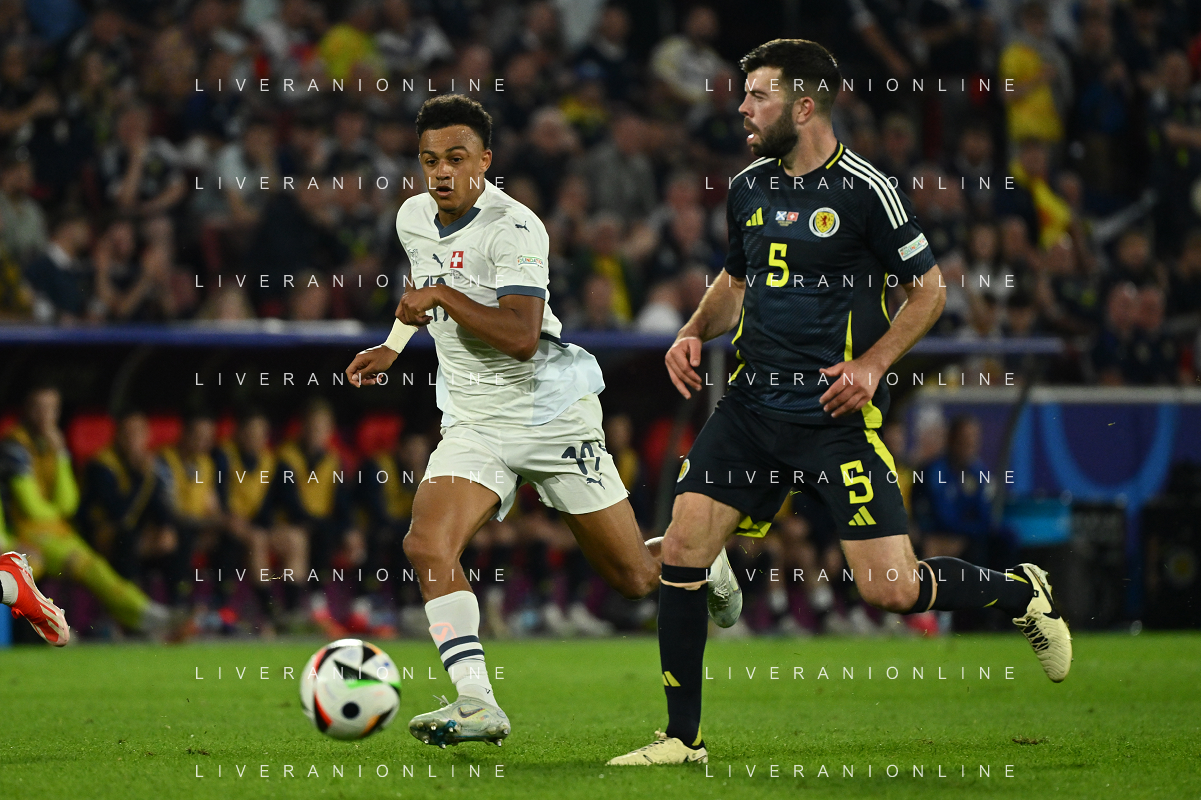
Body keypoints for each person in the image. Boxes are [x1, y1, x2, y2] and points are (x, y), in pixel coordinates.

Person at [609, 39, 1073, 767]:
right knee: (682, 548)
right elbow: (735, 279)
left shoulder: (866, 191)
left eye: (758, 94)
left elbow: (929, 291)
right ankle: (681, 739)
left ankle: (1018, 593)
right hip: (751, 409)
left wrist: (872, 364)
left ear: (803, 106)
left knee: (891, 590)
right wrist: (692, 330)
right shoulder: (747, 187)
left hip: (832, 418)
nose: (742, 107)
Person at [344, 94, 738, 749]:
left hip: (549, 414)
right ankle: (477, 702)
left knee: (635, 580)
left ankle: (700, 555)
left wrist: (442, 296)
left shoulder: (515, 228)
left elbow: (522, 336)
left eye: (456, 158)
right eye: (430, 160)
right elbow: (424, 292)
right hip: (474, 419)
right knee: (427, 544)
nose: (441, 172)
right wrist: (393, 345)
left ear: (485, 161)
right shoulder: (413, 217)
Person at [1, 387, 167, 635]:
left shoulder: (53, 446)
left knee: (95, 566)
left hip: (55, 532)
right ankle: (141, 617)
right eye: (38, 408)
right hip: (27, 533)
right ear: (26, 410)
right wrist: (54, 514)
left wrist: (61, 454)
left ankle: (143, 615)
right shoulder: (14, 447)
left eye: (51, 408)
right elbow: (31, 508)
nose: (45, 415)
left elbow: (69, 504)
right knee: (81, 565)